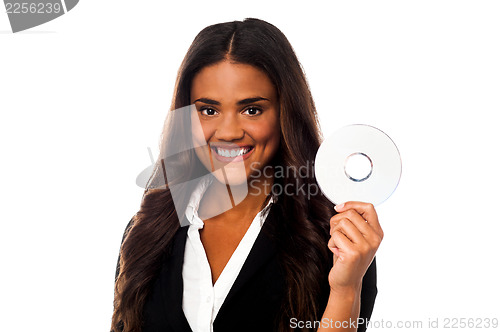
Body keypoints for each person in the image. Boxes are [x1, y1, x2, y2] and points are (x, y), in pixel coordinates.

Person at [111, 18, 383, 332]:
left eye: (251, 109)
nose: (228, 132)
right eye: (208, 110)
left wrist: (345, 290)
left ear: (285, 113)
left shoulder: (336, 241)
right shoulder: (147, 231)